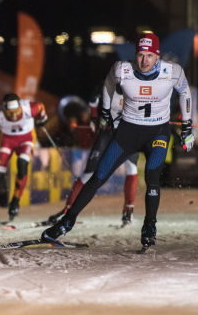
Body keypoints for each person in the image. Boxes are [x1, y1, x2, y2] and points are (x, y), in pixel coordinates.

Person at [40, 33, 194, 248]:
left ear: (157, 56)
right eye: (140, 55)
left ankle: (149, 225)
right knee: (97, 177)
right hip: (127, 134)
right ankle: (66, 222)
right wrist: (105, 113)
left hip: (157, 133)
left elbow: (186, 94)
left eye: (149, 55)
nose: (144, 61)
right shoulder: (122, 68)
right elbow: (108, 85)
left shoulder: (172, 71)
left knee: (151, 176)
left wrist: (187, 127)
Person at [48, 87, 139, 227]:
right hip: (108, 133)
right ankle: (68, 209)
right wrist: (94, 117)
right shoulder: (109, 85)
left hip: (128, 134)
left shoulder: (137, 87)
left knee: (131, 168)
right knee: (89, 171)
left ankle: (128, 211)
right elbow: (93, 96)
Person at [0, 93, 48, 221]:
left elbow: (41, 107)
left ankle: (15, 202)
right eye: (10, 113)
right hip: (7, 140)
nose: (13, 115)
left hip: (26, 139)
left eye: (16, 111)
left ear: (19, 107)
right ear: (4, 109)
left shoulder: (29, 108)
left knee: (22, 165)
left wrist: (43, 119)